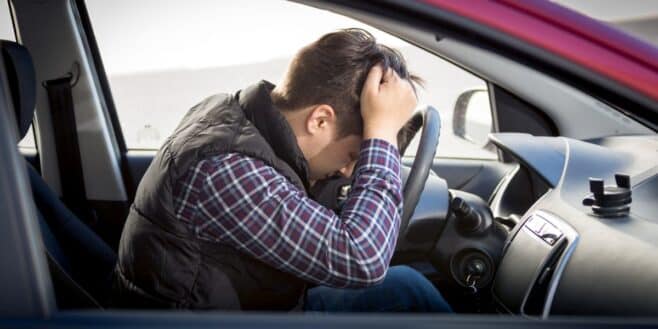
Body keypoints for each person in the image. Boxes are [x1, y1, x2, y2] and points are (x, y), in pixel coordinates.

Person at [112, 28, 452, 313]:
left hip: (254, 306)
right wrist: (381, 134)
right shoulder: (225, 169)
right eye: (353, 154)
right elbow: (363, 259)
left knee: (408, 287)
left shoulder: (237, 115)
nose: (350, 172)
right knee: (408, 291)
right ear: (320, 120)